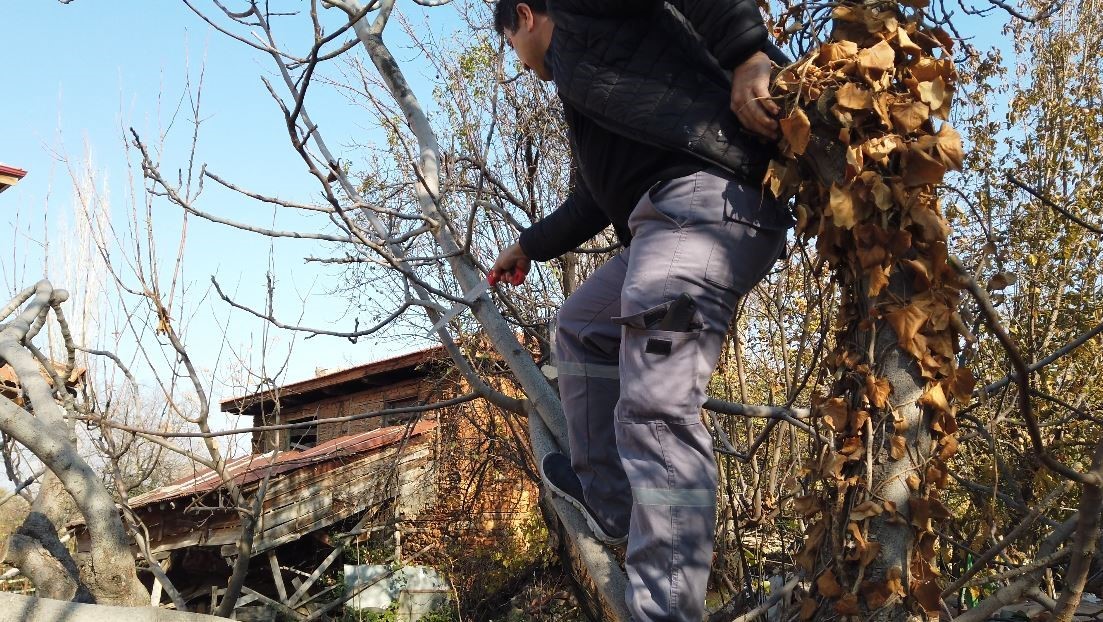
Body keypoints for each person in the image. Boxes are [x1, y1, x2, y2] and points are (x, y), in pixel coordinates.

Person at [488, 1, 794, 620]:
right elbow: (594, 199)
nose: (518, 64)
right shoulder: (588, 84)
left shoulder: (580, 15)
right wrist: (530, 244)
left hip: (704, 206)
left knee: (655, 406)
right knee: (580, 326)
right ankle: (611, 503)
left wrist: (747, 53)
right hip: (662, 224)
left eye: (509, 45)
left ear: (524, 16)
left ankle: (667, 610)